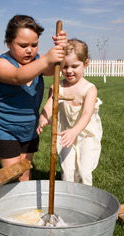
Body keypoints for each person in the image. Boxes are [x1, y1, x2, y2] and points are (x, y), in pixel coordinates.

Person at [0, 15, 67, 181]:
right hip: (4, 129)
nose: (29, 50)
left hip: (29, 129)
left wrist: (62, 51)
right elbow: (18, 77)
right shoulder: (0, 64)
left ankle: (25, 206)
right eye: (23, 45)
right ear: (8, 42)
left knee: (24, 174)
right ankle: (6, 204)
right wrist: (46, 59)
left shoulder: (38, 61)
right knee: (13, 175)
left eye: (34, 45)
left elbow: (57, 69)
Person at [37, 38, 102, 186]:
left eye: (75, 66)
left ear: (85, 64)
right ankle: (69, 199)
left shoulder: (89, 89)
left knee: (83, 172)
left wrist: (75, 131)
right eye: (65, 66)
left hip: (86, 135)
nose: (69, 71)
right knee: (67, 171)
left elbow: (86, 114)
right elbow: (49, 104)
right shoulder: (57, 87)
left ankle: (85, 199)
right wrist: (43, 117)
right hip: (65, 134)